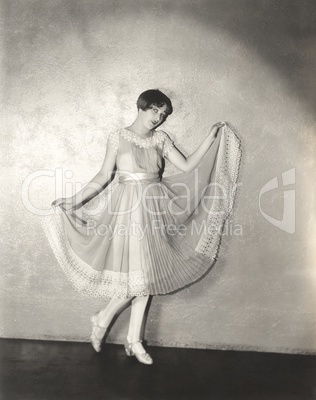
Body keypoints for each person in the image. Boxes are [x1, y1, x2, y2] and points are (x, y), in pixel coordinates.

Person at [42, 89, 241, 365]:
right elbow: (103, 175)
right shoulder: (118, 137)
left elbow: (187, 164)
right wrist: (72, 201)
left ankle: (120, 330)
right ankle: (122, 333)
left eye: (162, 115)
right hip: (124, 212)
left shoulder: (161, 139)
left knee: (144, 276)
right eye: (154, 111)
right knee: (139, 277)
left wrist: (211, 136)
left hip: (154, 211)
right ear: (142, 106)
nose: (158, 118)